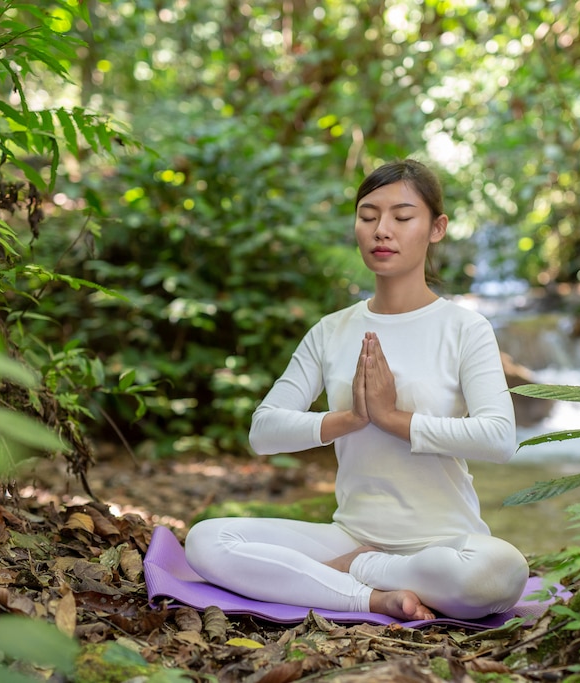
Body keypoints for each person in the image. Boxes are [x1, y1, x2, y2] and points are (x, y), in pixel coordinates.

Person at [183, 159, 528, 621]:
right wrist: (350, 419)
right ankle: (373, 598)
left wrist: (392, 419)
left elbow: (499, 439)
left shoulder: (465, 328)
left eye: (402, 217)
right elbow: (264, 431)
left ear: (436, 228)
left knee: (500, 571)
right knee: (208, 541)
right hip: (350, 531)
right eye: (368, 216)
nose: (382, 230)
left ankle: (363, 569)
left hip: (446, 543)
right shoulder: (331, 331)